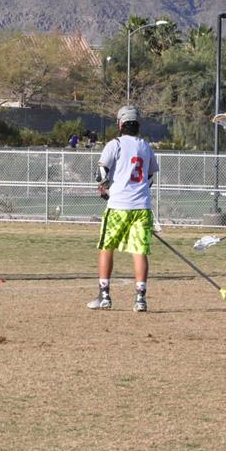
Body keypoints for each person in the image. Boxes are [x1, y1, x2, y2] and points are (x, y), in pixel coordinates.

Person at [88, 105, 159, 312]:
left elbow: (101, 174)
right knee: (139, 251)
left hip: (118, 206)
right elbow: (150, 177)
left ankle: (104, 296)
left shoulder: (115, 144)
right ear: (138, 125)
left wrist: (107, 190)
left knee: (106, 247)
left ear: (120, 124)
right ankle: (140, 299)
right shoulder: (146, 147)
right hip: (142, 207)